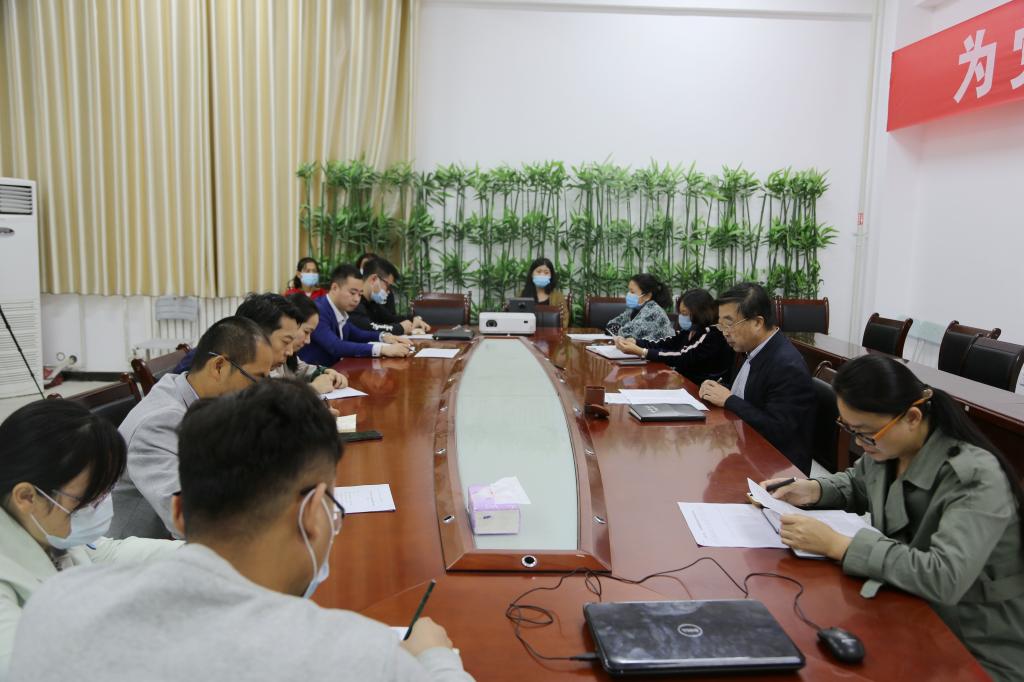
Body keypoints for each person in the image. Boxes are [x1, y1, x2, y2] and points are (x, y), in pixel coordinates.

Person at [9, 380, 474, 682]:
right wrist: (434, 659)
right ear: (314, 514)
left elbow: (108, 553)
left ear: (179, 513)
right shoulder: (355, 656)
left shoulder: (51, 608)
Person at [761, 354, 1024, 681]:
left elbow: (944, 576)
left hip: (975, 643)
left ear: (912, 417)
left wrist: (840, 545)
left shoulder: (974, 478)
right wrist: (813, 489)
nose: (860, 444)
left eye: (866, 433)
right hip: (908, 606)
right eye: (851, 430)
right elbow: (859, 483)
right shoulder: (890, 446)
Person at [0, 401, 181, 677]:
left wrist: (210, 551)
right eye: (87, 500)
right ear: (26, 497)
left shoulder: (46, 529)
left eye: (104, 494)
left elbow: (107, 554)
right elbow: (26, 670)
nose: (100, 507)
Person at [111, 317, 274, 540]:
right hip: (143, 551)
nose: (261, 392)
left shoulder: (204, 399)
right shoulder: (158, 423)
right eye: (257, 380)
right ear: (218, 366)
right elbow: (193, 521)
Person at [698, 283, 815, 474]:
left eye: (729, 324)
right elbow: (748, 393)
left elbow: (777, 430)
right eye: (721, 325)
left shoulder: (786, 365)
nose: (725, 332)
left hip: (777, 469)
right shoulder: (752, 349)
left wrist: (728, 399)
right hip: (747, 449)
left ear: (757, 323)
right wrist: (716, 389)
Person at [299, 264, 413, 366]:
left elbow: (357, 334)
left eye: (360, 294)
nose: (356, 299)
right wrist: (382, 349)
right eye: (352, 293)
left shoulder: (340, 310)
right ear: (334, 288)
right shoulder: (318, 310)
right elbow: (336, 346)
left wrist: (384, 337)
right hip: (313, 376)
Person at [614, 288, 734, 384]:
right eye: (680, 313)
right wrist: (636, 342)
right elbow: (666, 344)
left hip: (699, 387)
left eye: (685, 313)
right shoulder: (689, 331)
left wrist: (642, 352)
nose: (681, 317)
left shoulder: (712, 334)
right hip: (684, 382)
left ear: (700, 312)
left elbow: (683, 356)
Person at [172, 293, 301, 374]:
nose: (290, 352)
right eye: (286, 341)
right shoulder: (207, 369)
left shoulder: (247, 364)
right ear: (255, 334)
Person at [273, 293, 348, 394]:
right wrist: (313, 388)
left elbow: (300, 368)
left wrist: (325, 372)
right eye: (306, 332)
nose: (308, 341)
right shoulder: (269, 356)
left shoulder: (289, 354)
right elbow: (274, 394)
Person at [349, 258, 431, 336]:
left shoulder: (372, 303)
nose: (388, 292)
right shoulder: (354, 301)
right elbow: (367, 327)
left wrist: (413, 319)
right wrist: (400, 328)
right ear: (374, 279)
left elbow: (390, 319)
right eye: (387, 286)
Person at [605, 273, 675, 344]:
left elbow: (628, 334)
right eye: (629, 291)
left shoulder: (654, 311)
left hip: (663, 350)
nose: (628, 294)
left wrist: (619, 331)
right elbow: (610, 325)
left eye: (632, 292)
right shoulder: (633, 309)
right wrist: (619, 331)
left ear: (647, 296)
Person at [519, 257, 569, 329]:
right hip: (527, 333)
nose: (542, 275)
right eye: (539, 272)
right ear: (532, 274)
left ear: (551, 276)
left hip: (551, 334)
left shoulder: (558, 296)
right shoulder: (522, 294)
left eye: (546, 273)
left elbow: (564, 321)